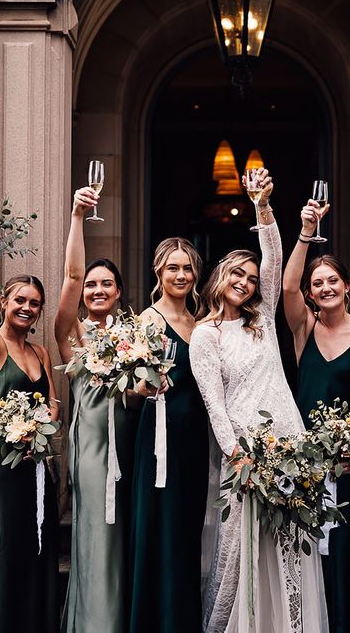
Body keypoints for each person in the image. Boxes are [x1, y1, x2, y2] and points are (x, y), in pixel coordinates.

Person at [189, 169, 329, 633]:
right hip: (244, 452)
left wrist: (262, 205)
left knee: (290, 541)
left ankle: (290, 623)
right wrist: (238, 455)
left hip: (290, 442)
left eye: (251, 278)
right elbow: (215, 406)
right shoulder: (205, 337)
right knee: (241, 547)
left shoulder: (263, 320)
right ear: (219, 276)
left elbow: (274, 256)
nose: (246, 283)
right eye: (237, 274)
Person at [282, 199, 350, 632]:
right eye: (317, 283)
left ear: (347, 287)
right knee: (302, 550)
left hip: (347, 464)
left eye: (332, 281)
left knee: (342, 552)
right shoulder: (304, 326)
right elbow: (285, 289)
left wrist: (348, 447)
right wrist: (305, 233)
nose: (324, 288)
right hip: (303, 463)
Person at [0, 209, 59, 633]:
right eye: (20, 300)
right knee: (0, 554)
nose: (28, 308)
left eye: (35, 304)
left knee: (36, 553)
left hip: (36, 468)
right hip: (0, 466)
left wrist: (48, 417)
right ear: (5, 302)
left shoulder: (41, 354)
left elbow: (54, 404)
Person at [55, 187, 137, 633]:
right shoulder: (73, 336)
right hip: (92, 450)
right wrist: (77, 218)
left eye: (107, 283)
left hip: (132, 445)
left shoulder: (136, 333)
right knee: (99, 533)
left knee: (129, 532)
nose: (97, 289)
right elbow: (68, 277)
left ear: (119, 291)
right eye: (92, 285)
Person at [129, 237, 210, 633]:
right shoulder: (148, 319)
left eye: (187, 268)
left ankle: (183, 618)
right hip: (160, 437)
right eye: (173, 267)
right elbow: (128, 385)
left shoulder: (200, 322)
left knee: (188, 528)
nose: (180, 275)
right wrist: (142, 389)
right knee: (161, 526)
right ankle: (157, 620)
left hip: (195, 436)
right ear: (158, 272)